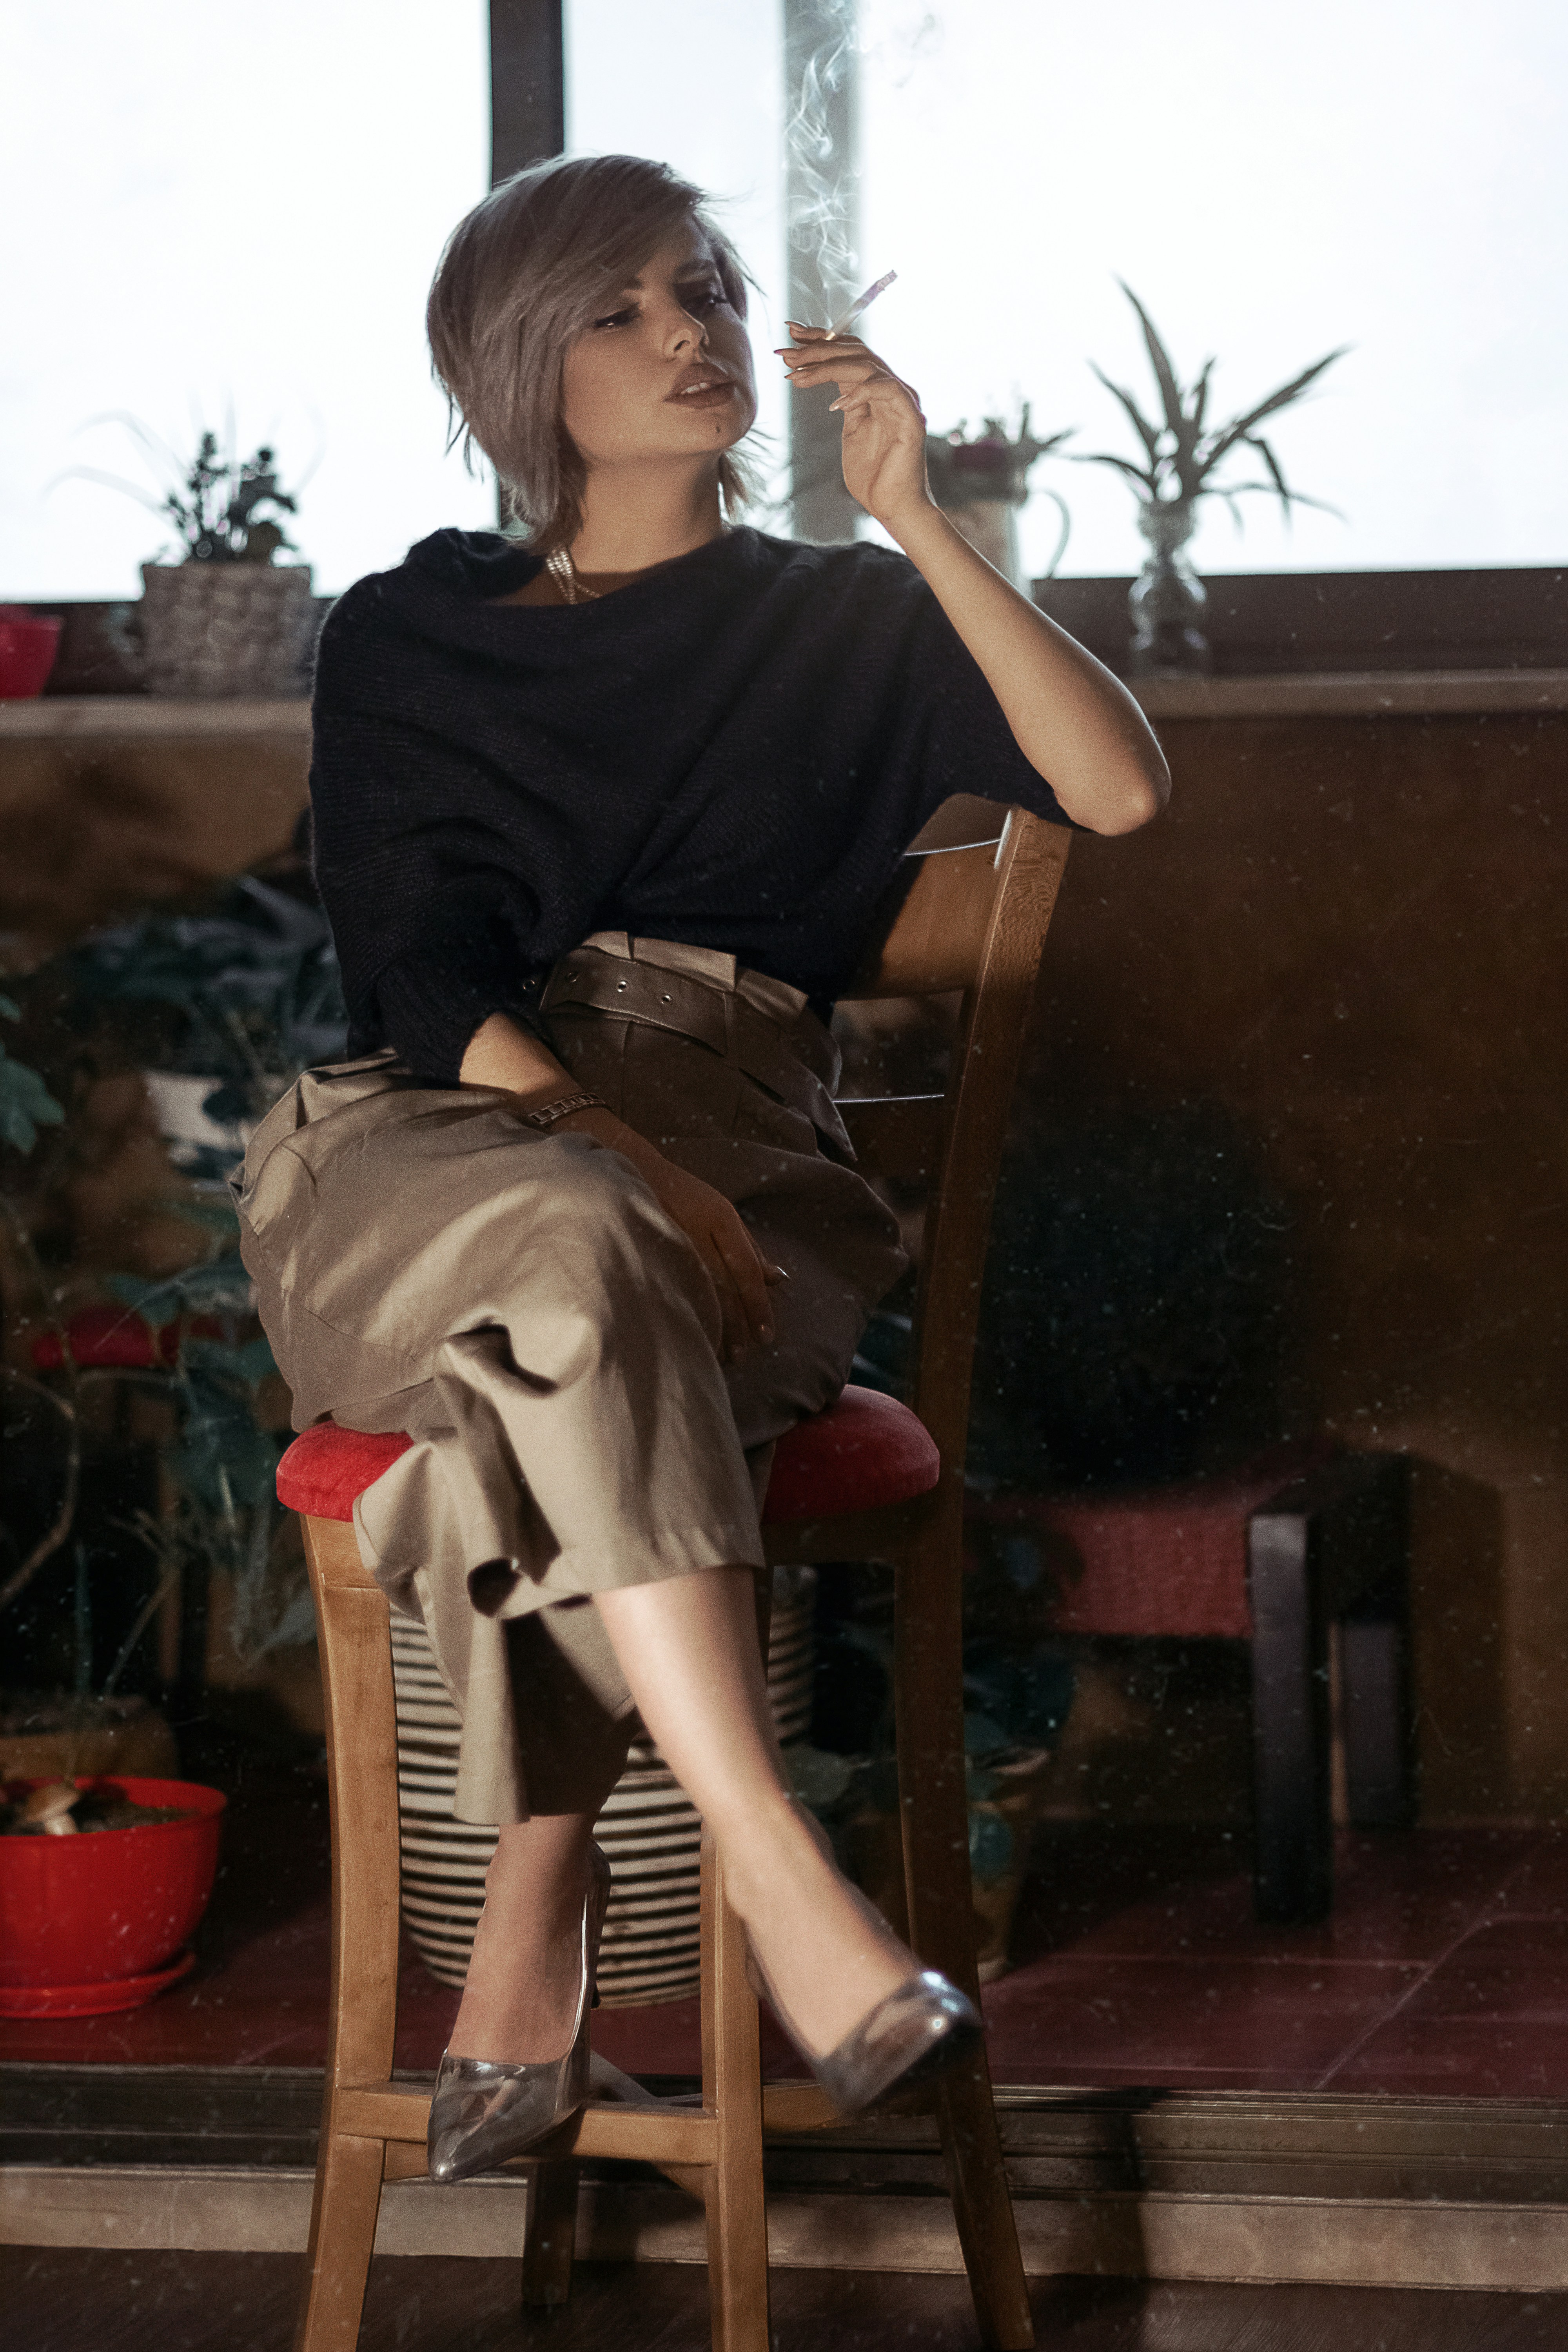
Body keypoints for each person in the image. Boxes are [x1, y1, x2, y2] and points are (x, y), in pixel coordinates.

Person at [235, 152, 1168, 2182]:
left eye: (710, 287)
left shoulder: (849, 620)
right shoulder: (408, 629)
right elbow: (416, 968)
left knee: (536, 1359)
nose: (692, 331)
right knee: (578, 1241)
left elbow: (1113, 786)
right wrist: (612, 1161)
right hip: (434, 1140)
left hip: (736, 1129)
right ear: (515, 368)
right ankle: (775, 1862)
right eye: (624, 306)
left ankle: (537, 1885)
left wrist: (916, 516)